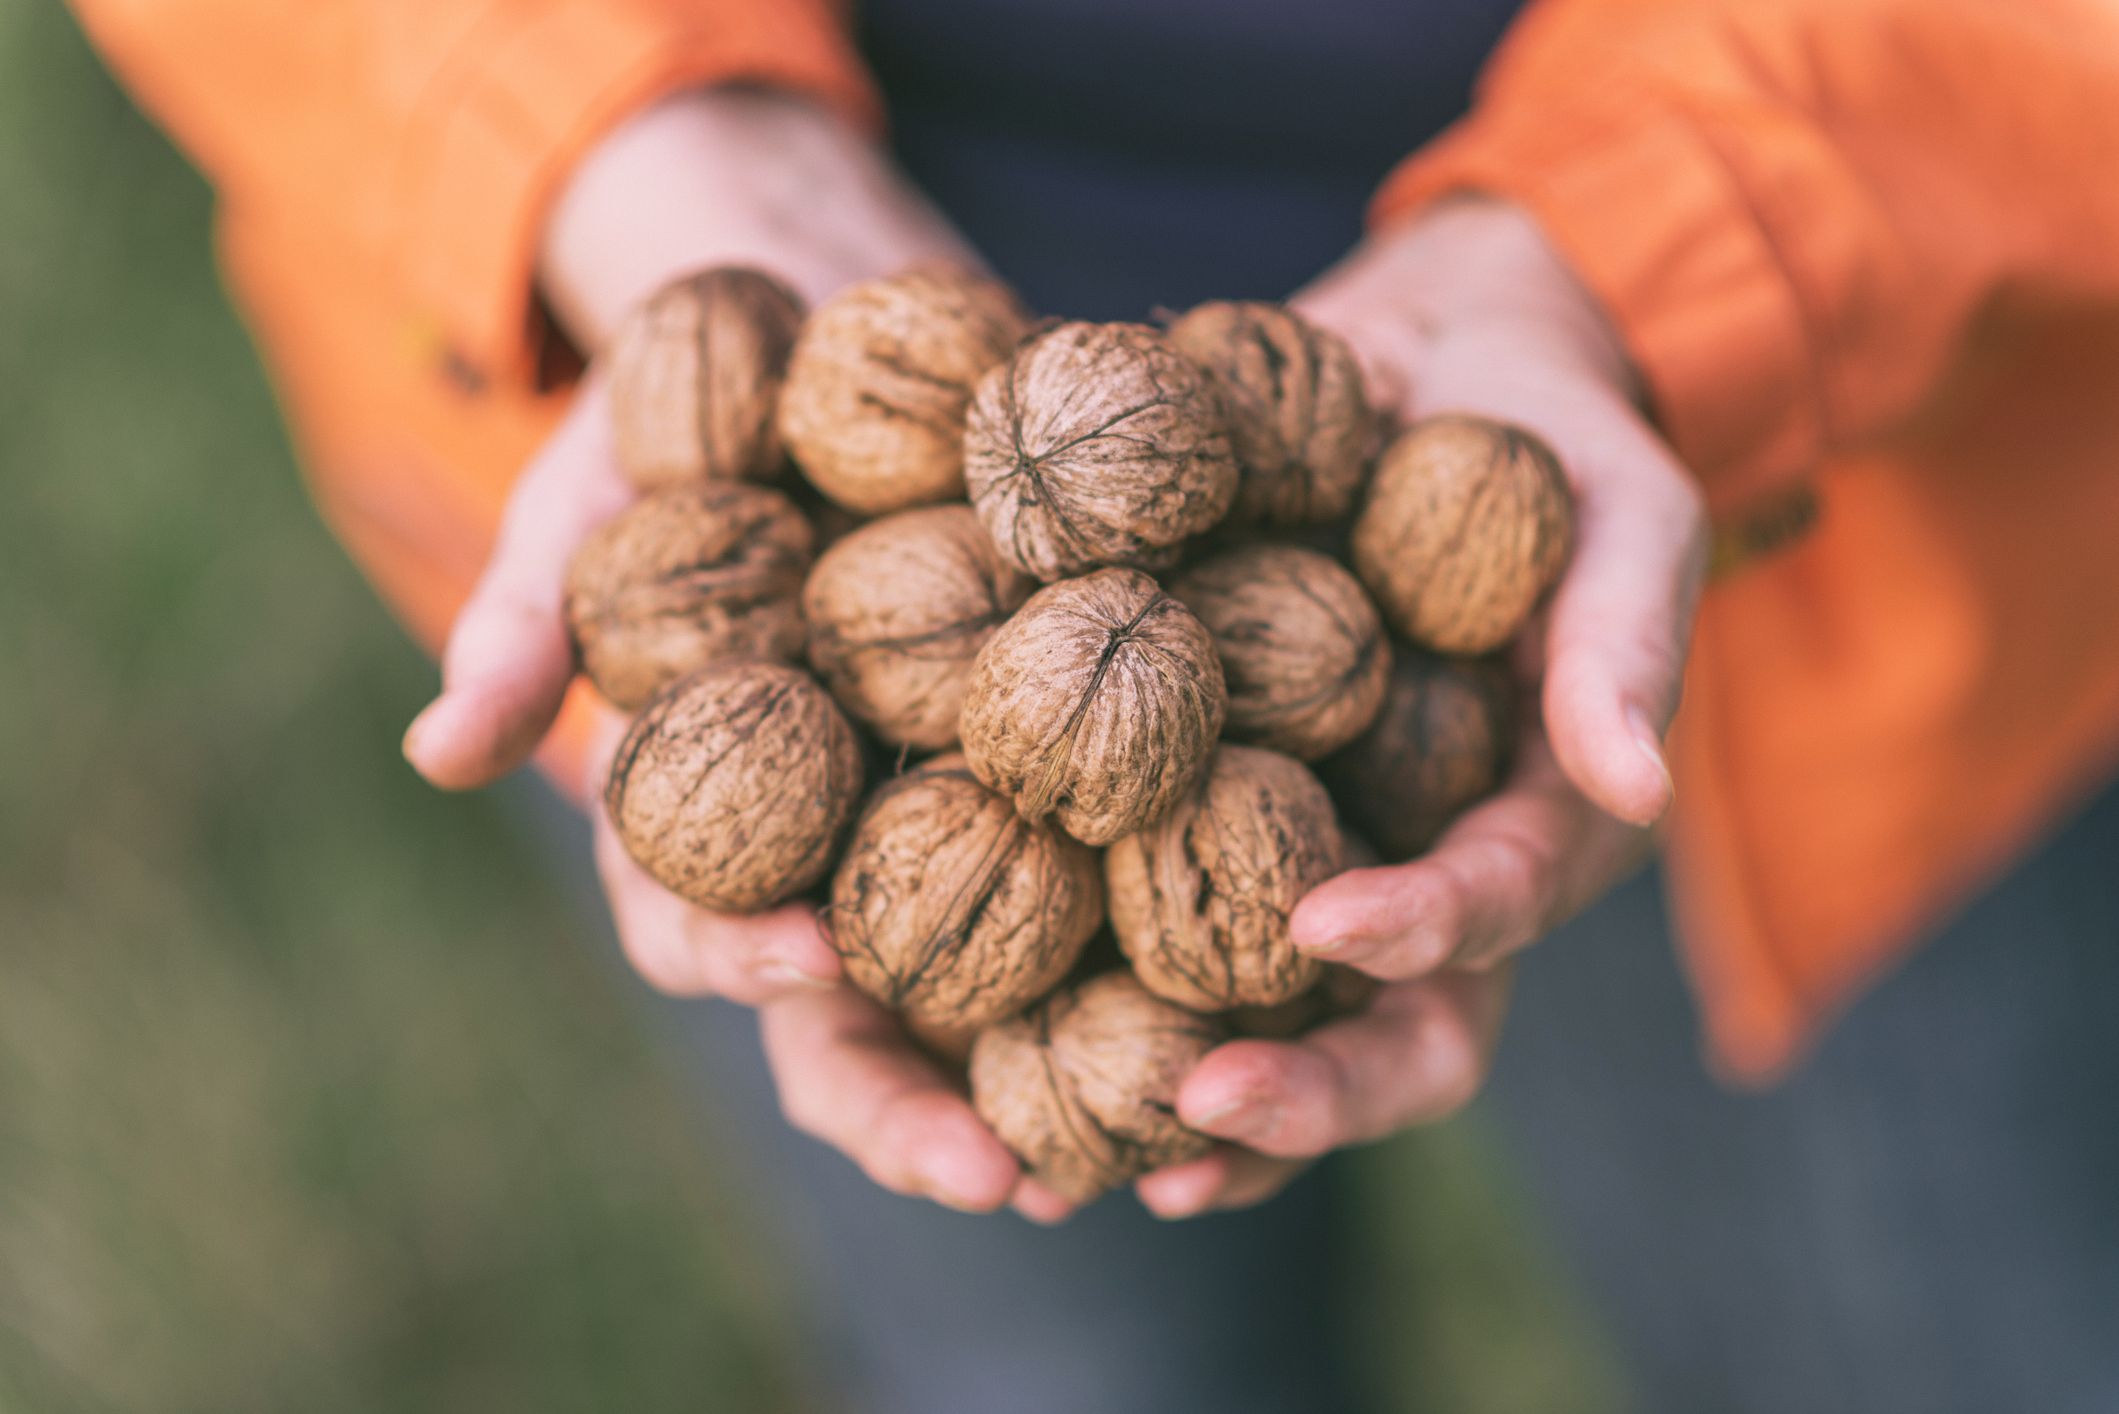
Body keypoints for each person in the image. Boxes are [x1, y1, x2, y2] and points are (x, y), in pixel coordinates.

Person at [71, 0, 2119, 1409]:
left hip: (1842, 528)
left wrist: (1670, 222)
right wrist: (620, 140)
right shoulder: (854, 627)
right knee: (1040, 1351)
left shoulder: (1284, 611)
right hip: (683, 288)